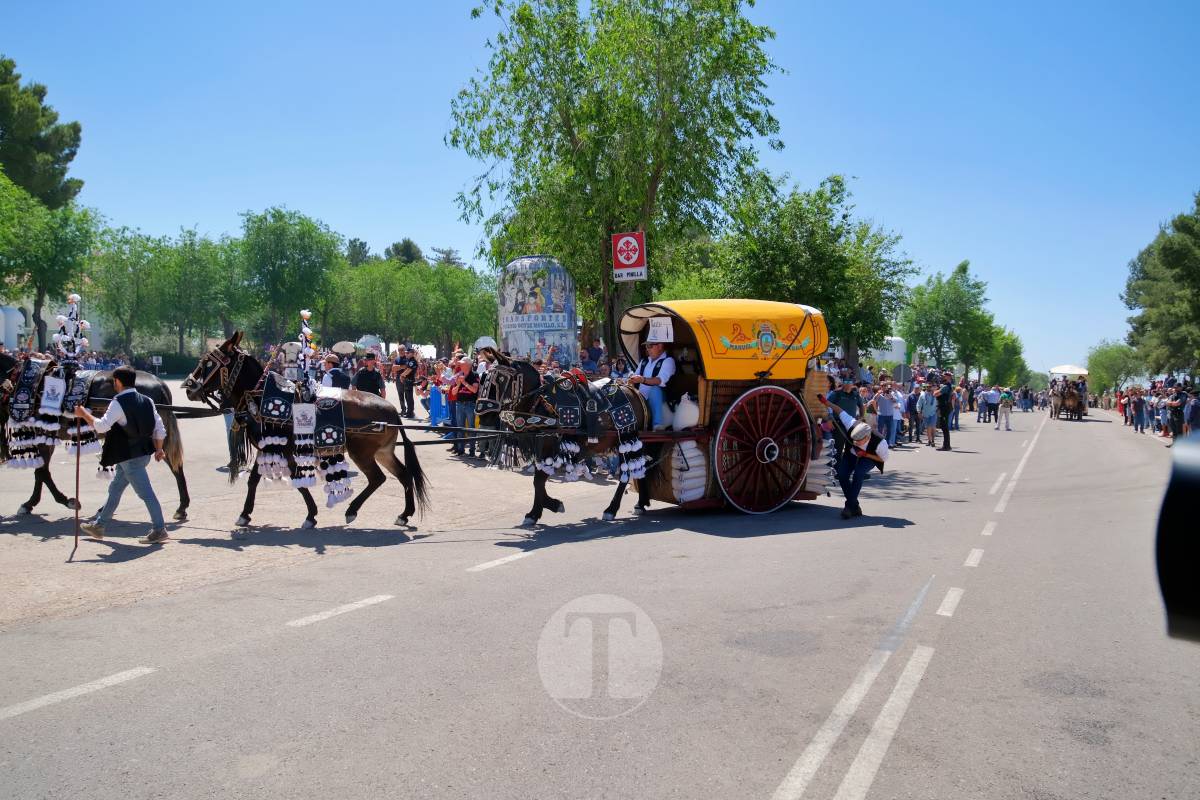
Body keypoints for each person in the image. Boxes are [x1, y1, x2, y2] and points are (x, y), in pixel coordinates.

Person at [76, 367, 169, 544]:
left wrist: (84, 414)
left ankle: (159, 529)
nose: (113, 385)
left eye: (113, 382)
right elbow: (160, 429)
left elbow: (102, 426)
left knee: (146, 494)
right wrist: (159, 449)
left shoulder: (118, 402)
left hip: (128, 456)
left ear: (118, 382)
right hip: (142, 453)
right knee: (115, 489)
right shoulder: (147, 400)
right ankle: (99, 525)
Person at [817, 392, 890, 519]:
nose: (855, 442)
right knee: (842, 475)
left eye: (859, 441)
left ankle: (848, 507)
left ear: (867, 437)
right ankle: (854, 505)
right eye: (854, 439)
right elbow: (839, 410)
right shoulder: (851, 423)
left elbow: (882, 459)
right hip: (851, 454)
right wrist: (826, 402)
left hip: (870, 457)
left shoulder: (880, 443)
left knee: (858, 474)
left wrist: (866, 453)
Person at [630, 339, 675, 430]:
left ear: (660, 346)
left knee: (655, 389)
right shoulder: (644, 361)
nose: (647, 349)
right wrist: (628, 379)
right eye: (646, 346)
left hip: (662, 398)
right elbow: (634, 377)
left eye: (650, 346)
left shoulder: (668, 361)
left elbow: (659, 380)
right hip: (641, 398)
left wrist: (642, 379)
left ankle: (657, 424)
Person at [452, 359, 480, 457]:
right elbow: (453, 392)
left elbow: (474, 390)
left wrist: (464, 382)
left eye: (462, 364)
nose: (460, 366)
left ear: (468, 365)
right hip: (459, 404)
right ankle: (460, 450)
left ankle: (472, 450)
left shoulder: (475, 375)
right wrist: (459, 384)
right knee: (460, 428)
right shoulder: (459, 375)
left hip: (470, 404)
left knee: (471, 428)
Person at [395, 346, 417, 418]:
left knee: (409, 397)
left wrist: (401, 375)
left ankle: (410, 412)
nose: (406, 354)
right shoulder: (409, 360)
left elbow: (408, 370)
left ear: (411, 353)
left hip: (409, 380)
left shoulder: (412, 361)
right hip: (407, 380)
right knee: (407, 397)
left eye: (408, 353)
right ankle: (408, 412)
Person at [936, 372, 954, 450]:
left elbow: (936, 394)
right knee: (944, 427)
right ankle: (947, 445)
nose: (942, 377)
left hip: (944, 407)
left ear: (948, 377)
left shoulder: (946, 386)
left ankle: (946, 446)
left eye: (944, 376)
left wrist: (936, 390)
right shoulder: (948, 386)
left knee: (944, 427)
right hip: (946, 407)